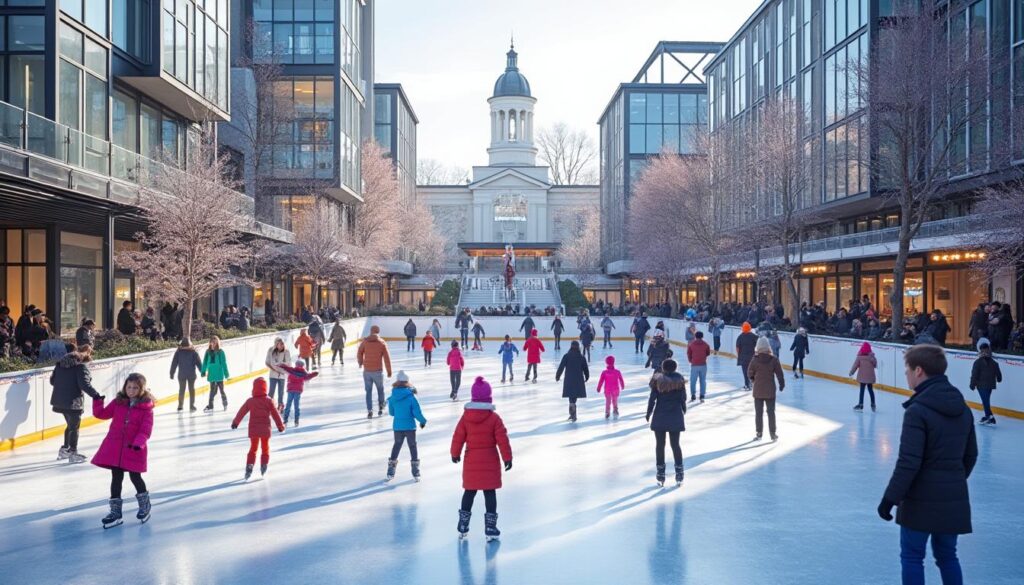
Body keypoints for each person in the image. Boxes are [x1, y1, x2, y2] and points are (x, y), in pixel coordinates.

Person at [878, 344, 977, 585]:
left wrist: (889, 499)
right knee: (948, 556)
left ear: (919, 371)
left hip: (920, 499)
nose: (906, 374)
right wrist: (952, 480)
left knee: (912, 557)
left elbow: (908, 463)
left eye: (907, 369)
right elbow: (971, 455)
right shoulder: (963, 409)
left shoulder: (917, 411)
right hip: (953, 496)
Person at [451, 377, 513, 541]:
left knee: (469, 493)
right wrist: (507, 457)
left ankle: (463, 525)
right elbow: (502, 439)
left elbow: (458, 436)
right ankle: (490, 527)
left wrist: (454, 453)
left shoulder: (466, 417)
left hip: (471, 461)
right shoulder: (494, 418)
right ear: (489, 397)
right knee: (490, 493)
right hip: (490, 462)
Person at [92, 373, 154, 528]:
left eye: (135, 388)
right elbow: (101, 414)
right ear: (125, 387)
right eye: (129, 387)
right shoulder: (118, 402)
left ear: (141, 389)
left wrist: (139, 443)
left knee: (135, 477)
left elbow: (145, 430)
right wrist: (98, 401)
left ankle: (145, 506)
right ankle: (115, 513)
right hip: (115, 447)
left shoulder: (146, 408)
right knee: (116, 478)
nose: (131, 390)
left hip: (134, 448)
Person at [50, 345, 103, 463]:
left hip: (59, 401)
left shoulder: (59, 366)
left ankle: (65, 449)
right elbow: (84, 385)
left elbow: (52, 381)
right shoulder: (80, 368)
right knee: (74, 427)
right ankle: (72, 452)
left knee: (70, 426)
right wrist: (96, 395)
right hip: (73, 402)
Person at [231, 377, 285, 479]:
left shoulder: (250, 401)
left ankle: (250, 465)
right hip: (265, 429)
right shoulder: (269, 401)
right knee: (265, 448)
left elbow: (241, 412)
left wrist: (235, 422)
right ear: (265, 388)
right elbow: (275, 414)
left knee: (253, 448)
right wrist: (280, 426)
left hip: (254, 429)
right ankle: (264, 465)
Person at [646, 359, 687, 487]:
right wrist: (683, 408)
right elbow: (683, 398)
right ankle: (679, 473)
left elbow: (652, 399)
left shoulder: (657, 380)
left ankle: (660, 474)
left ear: (663, 368)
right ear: (675, 368)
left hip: (660, 416)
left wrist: (648, 413)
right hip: (675, 415)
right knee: (675, 445)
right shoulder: (679, 379)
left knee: (660, 445)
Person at [386, 371, 427, 482]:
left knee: (397, 445)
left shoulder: (392, 397)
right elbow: (417, 412)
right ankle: (415, 470)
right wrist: (422, 421)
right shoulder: (411, 397)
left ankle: (391, 469)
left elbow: (392, 413)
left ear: (397, 382)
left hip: (398, 427)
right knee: (412, 446)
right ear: (407, 382)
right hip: (410, 427)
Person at [748, 337, 784, 441]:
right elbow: (779, 374)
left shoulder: (755, 359)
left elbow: (749, 372)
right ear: (768, 347)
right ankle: (773, 433)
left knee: (758, 413)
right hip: (770, 390)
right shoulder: (773, 360)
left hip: (758, 390)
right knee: (771, 412)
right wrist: (781, 384)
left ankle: (759, 433)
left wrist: (753, 380)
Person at [357, 325, 392, 418]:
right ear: (378, 331)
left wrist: (360, 362)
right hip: (377, 371)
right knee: (380, 390)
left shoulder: (365, 341)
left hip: (367, 371)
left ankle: (370, 410)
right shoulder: (382, 343)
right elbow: (387, 358)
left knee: (368, 391)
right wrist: (389, 371)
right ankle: (381, 408)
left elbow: (359, 352)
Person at [969, 338, 1002, 426]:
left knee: (985, 401)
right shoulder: (994, 363)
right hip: (990, 385)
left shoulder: (977, 362)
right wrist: (998, 379)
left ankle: (989, 417)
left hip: (981, 385)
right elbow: (999, 376)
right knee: (986, 401)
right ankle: (990, 417)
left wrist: (972, 385)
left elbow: (974, 374)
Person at [555, 340, 590, 422]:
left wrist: (557, 376)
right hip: (578, 379)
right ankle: (572, 413)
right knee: (574, 396)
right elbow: (585, 368)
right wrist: (587, 376)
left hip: (569, 379)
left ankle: (572, 413)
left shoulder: (566, 356)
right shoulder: (581, 357)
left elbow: (561, 367)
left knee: (571, 396)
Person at [278, 359, 319, 427]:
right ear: (303, 365)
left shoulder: (292, 370)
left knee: (288, 405)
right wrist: (316, 373)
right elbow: (310, 375)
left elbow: (286, 367)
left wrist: (281, 365)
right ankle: (296, 421)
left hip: (290, 390)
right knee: (296, 406)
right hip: (298, 391)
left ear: (296, 364)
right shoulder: (304, 373)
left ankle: (285, 420)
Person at [170, 339, 202, 413]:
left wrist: (172, 373)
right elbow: (199, 364)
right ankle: (191, 406)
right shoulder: (193, 352)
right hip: (190, 374)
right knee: (191, 390)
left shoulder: (178, 352)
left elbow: (174, 364)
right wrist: (202, 372)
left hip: (183, 374)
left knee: (182, 390)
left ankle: (181, 406)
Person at [201, 336, 230, 412]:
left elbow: (224, 363)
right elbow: (205, 362)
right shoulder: (208, 352)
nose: (213, 344)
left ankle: (225, 403)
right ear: (210, 342)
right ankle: (210, 406)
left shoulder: (220, 352)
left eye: (215, 342)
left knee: (221, 390)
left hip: (219, 374)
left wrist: (226, 374)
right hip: (212, 374)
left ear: (217, 343)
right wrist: (203, 371)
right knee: (212, 391)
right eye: (212, 342)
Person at [850, 342, 878, 412]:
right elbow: (875, 365)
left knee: (862, 390)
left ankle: (860, 404)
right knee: (870, 390)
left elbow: (855, 365)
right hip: (870, 377)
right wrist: (872, 358)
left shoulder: (859, 357)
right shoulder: (872, 357)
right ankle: (873, 404)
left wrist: (851, 372)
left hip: (862, 377)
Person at [265, 337, 291, 411]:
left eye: (283, 344)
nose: (282, 345)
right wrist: (274, 369)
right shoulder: (270, 350)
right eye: (281, 344)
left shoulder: (286, 351)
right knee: (271, 391)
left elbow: (288, 363)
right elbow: (267, 362)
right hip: (273, 375)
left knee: (281, 392)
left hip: (282, 375)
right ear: (276, 344)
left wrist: (282, 366)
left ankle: (280, 404)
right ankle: (269, 405)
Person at [596, 355, 625, 419]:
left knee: (608, 401)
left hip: (607, 389)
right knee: (615, 400)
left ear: (606, 362)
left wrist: (598, 388)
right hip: (615, 389)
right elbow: (621, 379)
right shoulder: (617, 372)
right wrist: (622, 385)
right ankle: (615, 410)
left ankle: (607, 412)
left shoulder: (604, 372)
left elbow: (601, 381)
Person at [686, 331, 711, 403]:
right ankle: (702, 395)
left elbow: (688, 353)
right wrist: (703, 357)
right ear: (702, 336)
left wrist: (691, 360)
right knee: (703, 380)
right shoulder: (706, 344)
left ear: (695, 336)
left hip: (694, 365)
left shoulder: (691, 344)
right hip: (703, 364)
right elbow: (708, 353)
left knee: (693, 380)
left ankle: (693, 394)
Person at [736, 322, 758, 391]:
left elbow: (737, 348)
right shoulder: (754, 336)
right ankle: (752, 383)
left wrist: (738, 355)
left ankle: (747, 384)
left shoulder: (740, 337)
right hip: (753, 358)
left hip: (743, 358)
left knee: (745, 372)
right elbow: (758, 346)